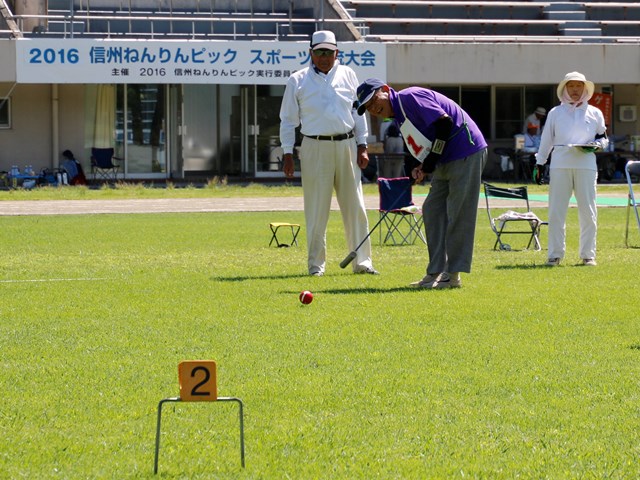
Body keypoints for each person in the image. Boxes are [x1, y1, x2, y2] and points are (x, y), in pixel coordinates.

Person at [355, 78, 488, 289]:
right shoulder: (399, 116)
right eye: (368, 107)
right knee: (432, 209)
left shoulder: (410, 97)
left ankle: (452, 276)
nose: (373, 108)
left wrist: (429, 163)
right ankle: (435, 271)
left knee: (458, 213)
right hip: (446, 158)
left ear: (386, 90)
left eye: (374, 100)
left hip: (466, 151)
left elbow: (444, 123)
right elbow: (425, 142)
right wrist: (422, 165)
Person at [279, 30, 377, 276]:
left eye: (329, 52)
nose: (324, 57)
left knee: (356, 206)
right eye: (319, 52)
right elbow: (288, 120)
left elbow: (359, 112)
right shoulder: (297, 80)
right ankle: (316, 266)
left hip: (346, 145)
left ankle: (362, 262)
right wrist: (288, 153)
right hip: (314, 146)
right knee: (316, 208)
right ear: (310, 53)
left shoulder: (349, 74)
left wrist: (363, 145)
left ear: (337, 53)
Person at [533, 71, 608, 267]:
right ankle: (555, 255)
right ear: (564, 88)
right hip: (560, 165)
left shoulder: (595, 113)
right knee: (556, 212)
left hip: (586, 165)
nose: (575, 90)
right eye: (571, 86)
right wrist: (540, 163)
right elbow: (547, 139)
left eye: (579, 86)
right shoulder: (555, 113)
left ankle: (588, 255)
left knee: (588, 212)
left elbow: (603, 137)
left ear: (585, 88)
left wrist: (598, 145)